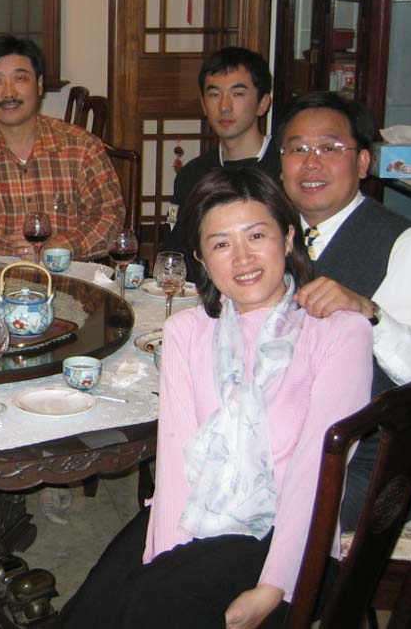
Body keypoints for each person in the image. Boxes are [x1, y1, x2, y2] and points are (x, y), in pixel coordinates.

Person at [60, 167, 372, 629]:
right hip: (197, 516)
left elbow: (317, 477)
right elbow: (175, 468)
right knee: (96, 609)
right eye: (221, 244)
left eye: (256, 235)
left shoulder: (339, 332)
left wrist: (274, 587)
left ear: (288, 238)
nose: (242, 258)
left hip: (290, 537)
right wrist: (168, 562)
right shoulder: (185, 332)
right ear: (202, 260)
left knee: (150, 605)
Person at [277, 91, 411, 530]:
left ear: (363, 163)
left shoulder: (402, 244)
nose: (311, 163)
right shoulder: (270, 233)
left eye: (330, 148)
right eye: (298, 149)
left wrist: (369, 312)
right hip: (278, 441)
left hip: (363, 458)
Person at [0, 36, 123, 260]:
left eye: (20, 78)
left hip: (68, 275)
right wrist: (16, 247)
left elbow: (110, 218)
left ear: (39, 84)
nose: (8, 93)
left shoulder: (82, 147)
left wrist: (59, 246)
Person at [162, 47, 280, 279]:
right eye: (215, 94)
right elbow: (174, 254)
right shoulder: (192, 174)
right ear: (203, 105)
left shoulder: (285, 169)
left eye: (238, 94)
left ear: (263, 104)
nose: (224, 106)